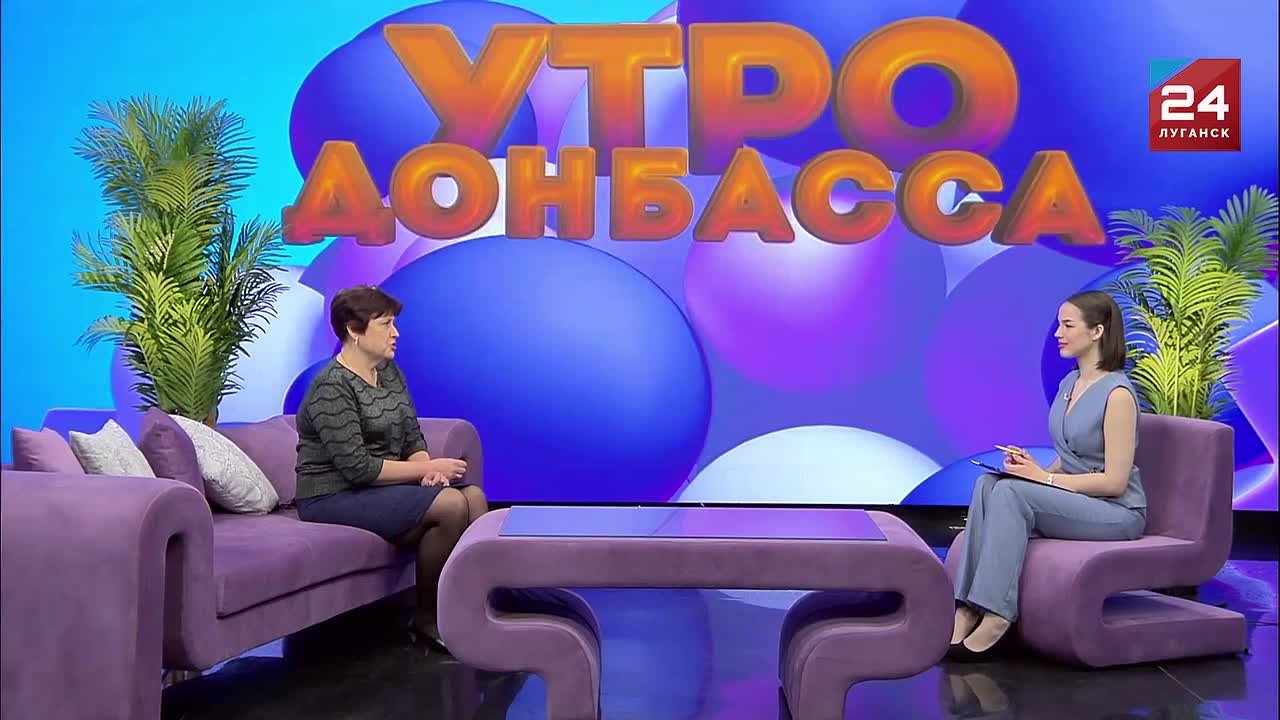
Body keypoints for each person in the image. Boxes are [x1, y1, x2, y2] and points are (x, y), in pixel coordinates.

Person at [948, 290, 1147, 660]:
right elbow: (1071, 456)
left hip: (1116, 511)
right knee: (989, 484)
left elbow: (1114, 482)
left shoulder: (1118, 395)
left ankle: (997, 616)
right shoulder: (1069, 384)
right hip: (1076, 499)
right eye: (1059, 324)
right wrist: (1034, 470)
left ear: (1097, 332)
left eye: (1068, 325)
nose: (1058, 333)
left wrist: (1045, 480)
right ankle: (967, 607)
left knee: (1011, 494)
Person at [293, 285, 489, 653]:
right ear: (354, 330)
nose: (395, 333)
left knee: (474, 498)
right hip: (333, 495)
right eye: (385, 324)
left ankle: (476, 610)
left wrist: (427, 470)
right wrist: (424, 472)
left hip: (378, 489)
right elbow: (358, 469)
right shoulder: (331, 387)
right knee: (450, 506)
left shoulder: (389, 372)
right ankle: (428, 620)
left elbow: (412, 436)